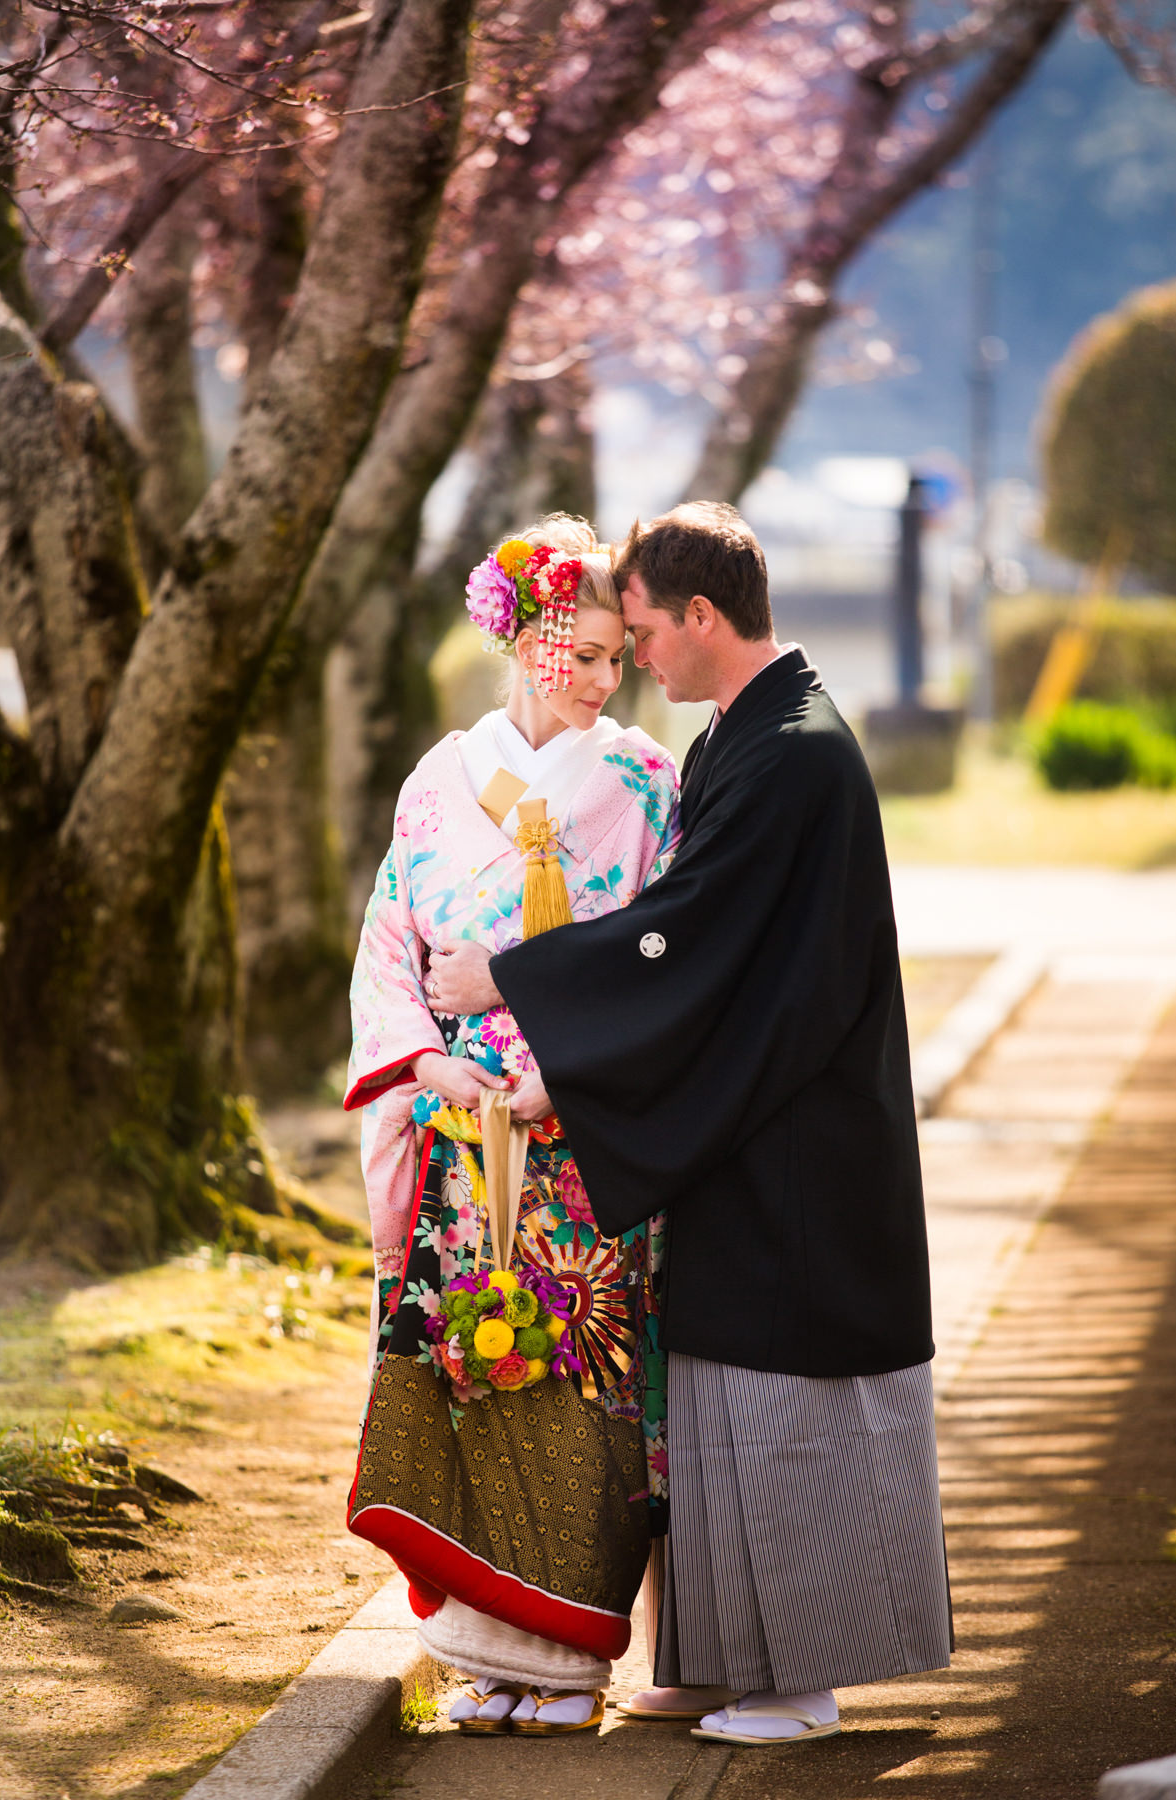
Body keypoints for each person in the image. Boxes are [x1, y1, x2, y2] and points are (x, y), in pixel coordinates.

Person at [428, 500, 954, 1749]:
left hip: (802, 1137)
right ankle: (722, 1661)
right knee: (715, 1401)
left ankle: (799, 1683)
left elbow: (695, 940)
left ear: (704, 617)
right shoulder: (747, 736)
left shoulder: (798, 754)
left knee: (789, 1400)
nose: (639, 657)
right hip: (748, 1119)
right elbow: (696, 946)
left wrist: (515, 981)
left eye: (649, 630)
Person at [343, 515, 677, 1737]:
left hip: (576, 1125)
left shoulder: (645, 781)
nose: (602, 679)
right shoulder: (439, 779)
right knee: (469, 1374)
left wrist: (568, 1069)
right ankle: (480, 1656)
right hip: (457, 1122)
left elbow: (664, 959)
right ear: (525, 638)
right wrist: (428, 1059)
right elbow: (392, 943)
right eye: (579, 654)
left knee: (581, 1377)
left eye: (613, 658)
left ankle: (572, 1661)